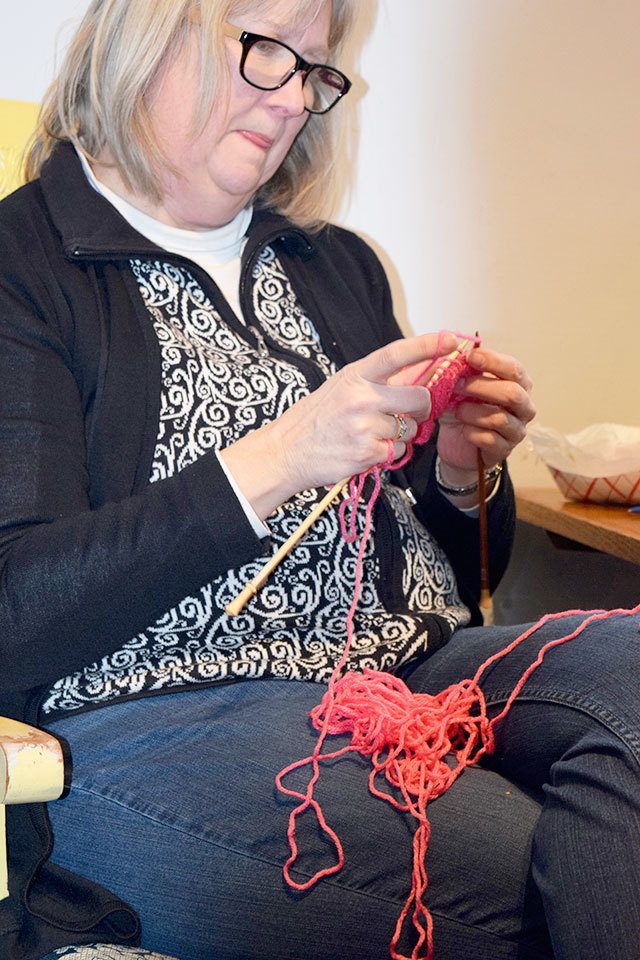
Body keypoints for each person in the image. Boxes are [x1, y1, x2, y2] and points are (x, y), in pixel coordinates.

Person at [1, 1, 639, 959]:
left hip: (411, 675)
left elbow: (446, 573)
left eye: (314, 69)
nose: (294, 95)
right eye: (264, 48)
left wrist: (464, 476)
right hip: (154, 719)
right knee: (531, 873)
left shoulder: (333, 264)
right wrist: (283, 453)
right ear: (146, 35)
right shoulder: (24, 261)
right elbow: (18, 608)